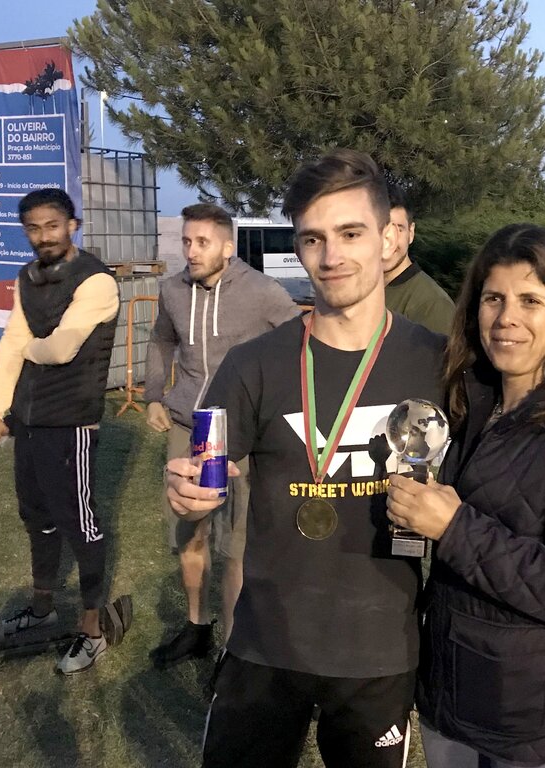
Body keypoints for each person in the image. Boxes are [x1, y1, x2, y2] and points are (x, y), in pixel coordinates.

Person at [166, 149, 445, 768]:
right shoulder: (253, 364)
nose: (331, 255)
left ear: (388, 238)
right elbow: (203, 469)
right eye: (313, 239)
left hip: (379, 649)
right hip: (268, 640)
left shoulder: (438, 362)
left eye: (351, 233)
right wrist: (187, 492)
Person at [387, 224, 545, 767]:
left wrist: (455, 528)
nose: (507, 317)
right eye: (493, 299)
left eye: (531, 300)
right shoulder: (470, 405)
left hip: (541, 721)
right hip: (453, 700)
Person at [145, 202, 298, 668]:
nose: (191, 251)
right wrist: (154, 395)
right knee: (189, 536)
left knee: (237, 548)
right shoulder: (173, 290)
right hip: (188, 427)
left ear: (227, 247)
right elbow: (161, 339)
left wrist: (276, 406)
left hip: (243, 436)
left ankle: (233, 652)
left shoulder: (263, 292)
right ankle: (197, 626)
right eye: (186, 241)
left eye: (202, 242)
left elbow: (299, 343)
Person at [0, 187, 123, 675]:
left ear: (72, 226)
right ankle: (41, 608)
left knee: (79, 523)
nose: (43, 236)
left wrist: (26, 346)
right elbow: (10, 342)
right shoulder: (27, 278)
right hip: (29, 420)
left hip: (71, 422)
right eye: (33, 229)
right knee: (36, 515)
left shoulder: (96, 280)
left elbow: (61, 348)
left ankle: (92, 630)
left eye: (52, 226)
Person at [383, 185, 456, 334]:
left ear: (411, 233)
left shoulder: (433, 304)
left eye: (398, 229)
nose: (388, 242)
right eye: (379, 229)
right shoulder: (354, 290)